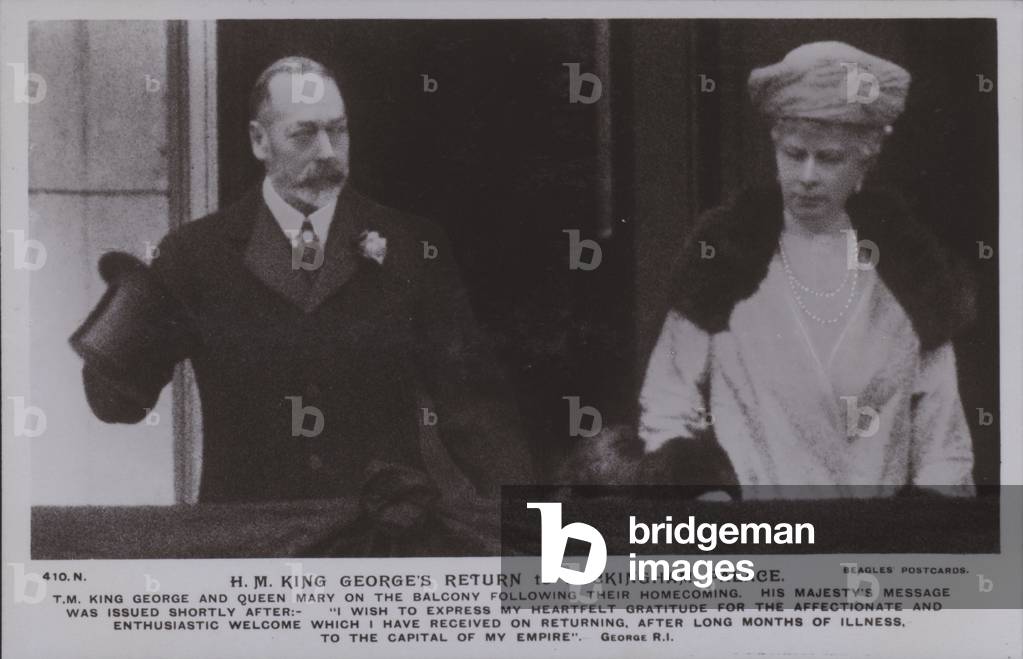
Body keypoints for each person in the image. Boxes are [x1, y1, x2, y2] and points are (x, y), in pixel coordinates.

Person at [71, 56, 533, 507]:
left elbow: (476, 412)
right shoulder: (194, 255)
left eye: (338, 129)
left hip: (382, 538)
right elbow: (116, 404)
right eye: (305, 133)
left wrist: (536, 538)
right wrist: (129, 307)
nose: (328, 151)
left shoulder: (414, 246)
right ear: (259, 140)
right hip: (251, 544)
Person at [637, 42, 976, 499]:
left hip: (873, 552)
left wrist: (919, 541)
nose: (808, 176)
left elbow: (943, 445)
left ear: (865, 160)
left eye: (831, 158)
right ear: (776, 146)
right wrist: (706, 500)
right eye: (795, 154)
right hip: (758, 545)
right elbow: (666, 400)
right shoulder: (726, 263)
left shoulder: (911, 273)